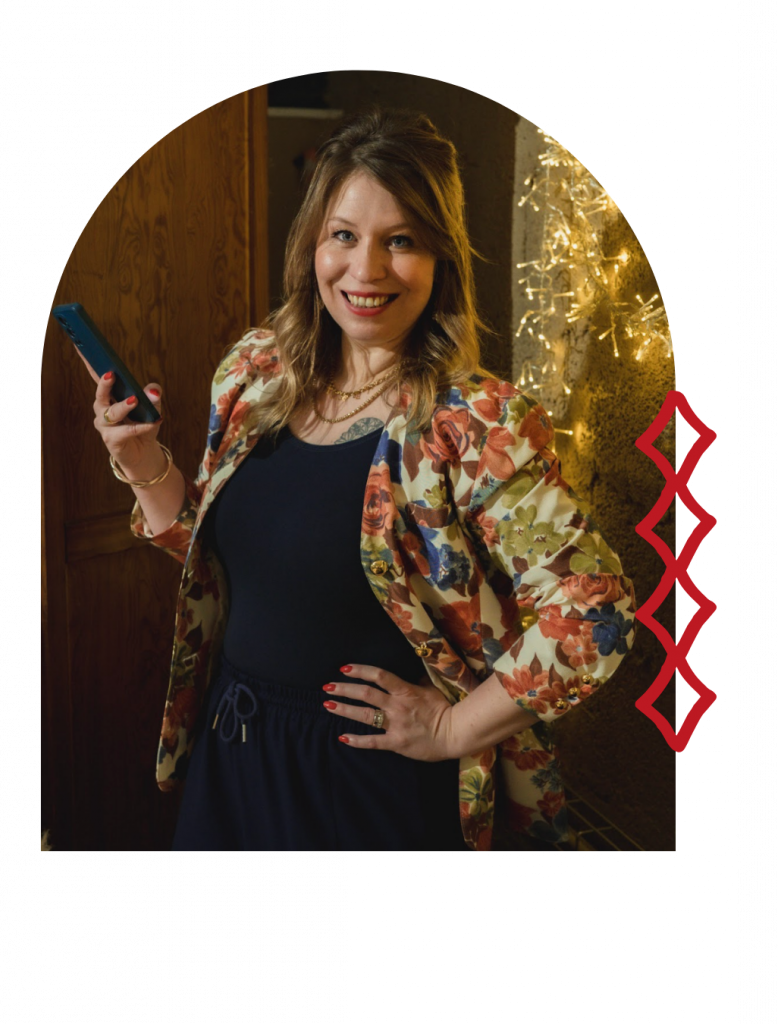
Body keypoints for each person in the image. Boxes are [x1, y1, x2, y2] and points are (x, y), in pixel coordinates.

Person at [90, 109, 636, 852]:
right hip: (234, 750)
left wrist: (452, 728)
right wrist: (141, 461)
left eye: (400, 241)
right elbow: (222, 564)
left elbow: (595, 611)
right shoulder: (256, 372)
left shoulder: (472, 423)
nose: (366, 269)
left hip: (366, 783)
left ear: (440, 257)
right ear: (312, 243)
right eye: (343, 235)